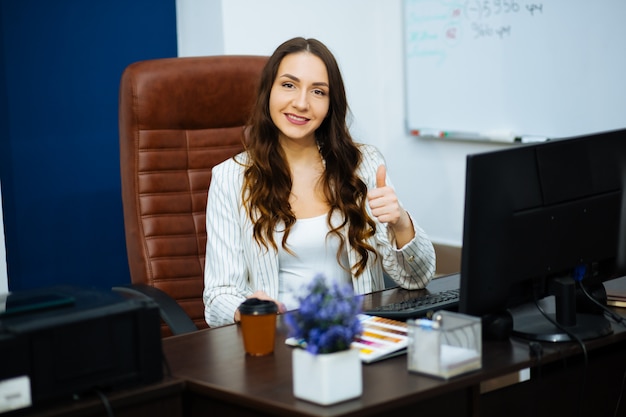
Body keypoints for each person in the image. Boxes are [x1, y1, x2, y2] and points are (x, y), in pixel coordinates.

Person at [203, 37, 435, 327]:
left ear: (330, 103)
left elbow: (417, 279)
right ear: (268, 92)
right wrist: (249, 308)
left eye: (318, 91)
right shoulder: (230, 179)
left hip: (359, 338)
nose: (301, 103)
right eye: (288, 85)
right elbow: (218, 297)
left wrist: (400, 223)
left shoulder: (364, 165)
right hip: (278, 343)